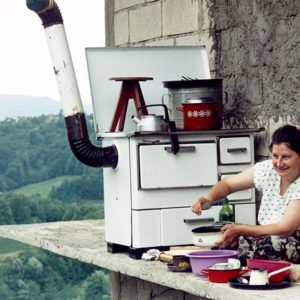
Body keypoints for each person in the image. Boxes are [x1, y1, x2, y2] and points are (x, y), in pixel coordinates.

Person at [191, 124, 300, 264]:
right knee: (226, 241)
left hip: (292, 240)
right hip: (267, 236)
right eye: (275, 156)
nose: (279, 163)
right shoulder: (267, 169)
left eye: (286, 157)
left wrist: (242, 229)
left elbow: (285, 228)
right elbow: (228, 184)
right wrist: (209, 198)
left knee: (268, 244)